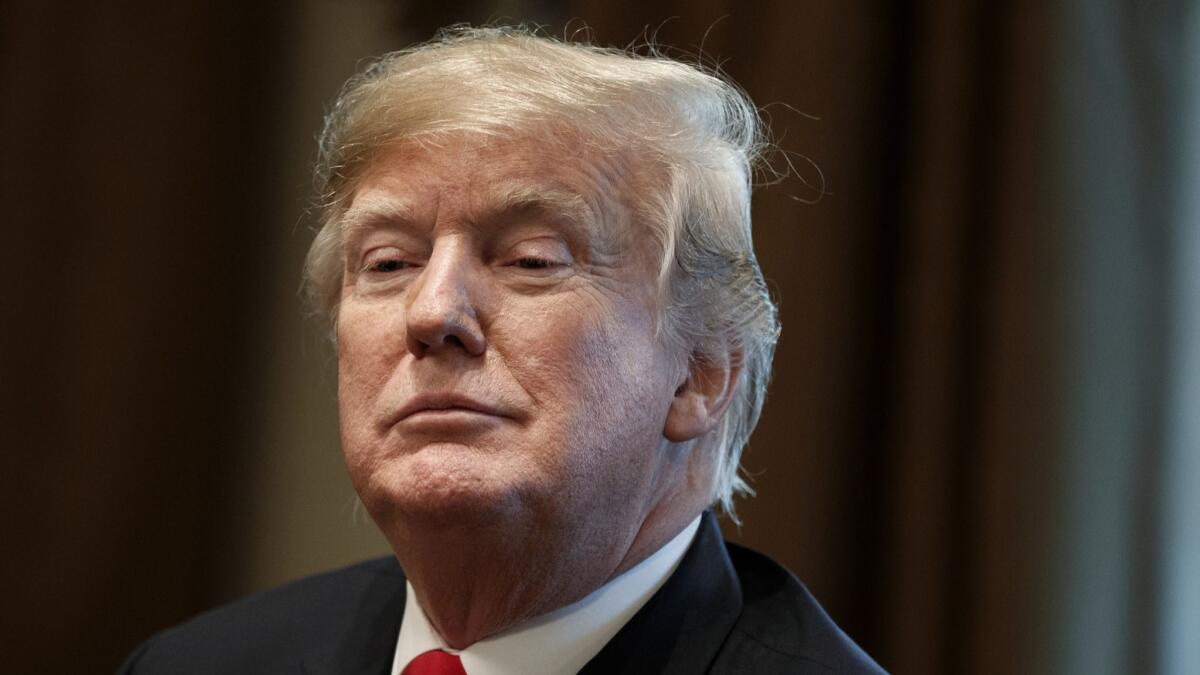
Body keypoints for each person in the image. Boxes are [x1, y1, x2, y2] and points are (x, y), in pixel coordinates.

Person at [119, 25, 885, 675]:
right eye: (389, 262)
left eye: (531, 259)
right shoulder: (200, 662)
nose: (433, 312)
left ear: (701, 375)